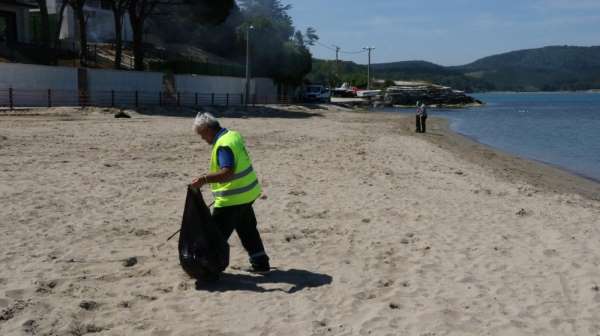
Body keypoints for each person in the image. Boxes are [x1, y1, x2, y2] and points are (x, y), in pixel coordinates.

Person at [191, 112, 271, 273]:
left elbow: (227, 172)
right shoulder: (233, 135)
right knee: (247, 229)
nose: (203, 139)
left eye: (202, 135)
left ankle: (208, 268)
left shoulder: (223, 145)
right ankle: (260, 262)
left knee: (215, 236)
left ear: (207, 129)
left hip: (232, 199)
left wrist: (204, 180)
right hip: (248, 193)